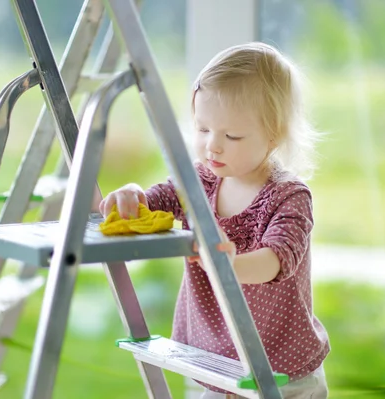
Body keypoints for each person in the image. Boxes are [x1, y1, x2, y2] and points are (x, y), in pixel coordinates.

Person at [97, 42, 330, 398]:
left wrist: (229, 264)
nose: (212, 146)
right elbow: (155, 201)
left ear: (273, 134)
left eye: (231, 135)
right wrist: (132, 194)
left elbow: (277, 260)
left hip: (282, 372)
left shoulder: (289, 196)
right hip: (215, 365)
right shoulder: (199, 180)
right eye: (203, 129)